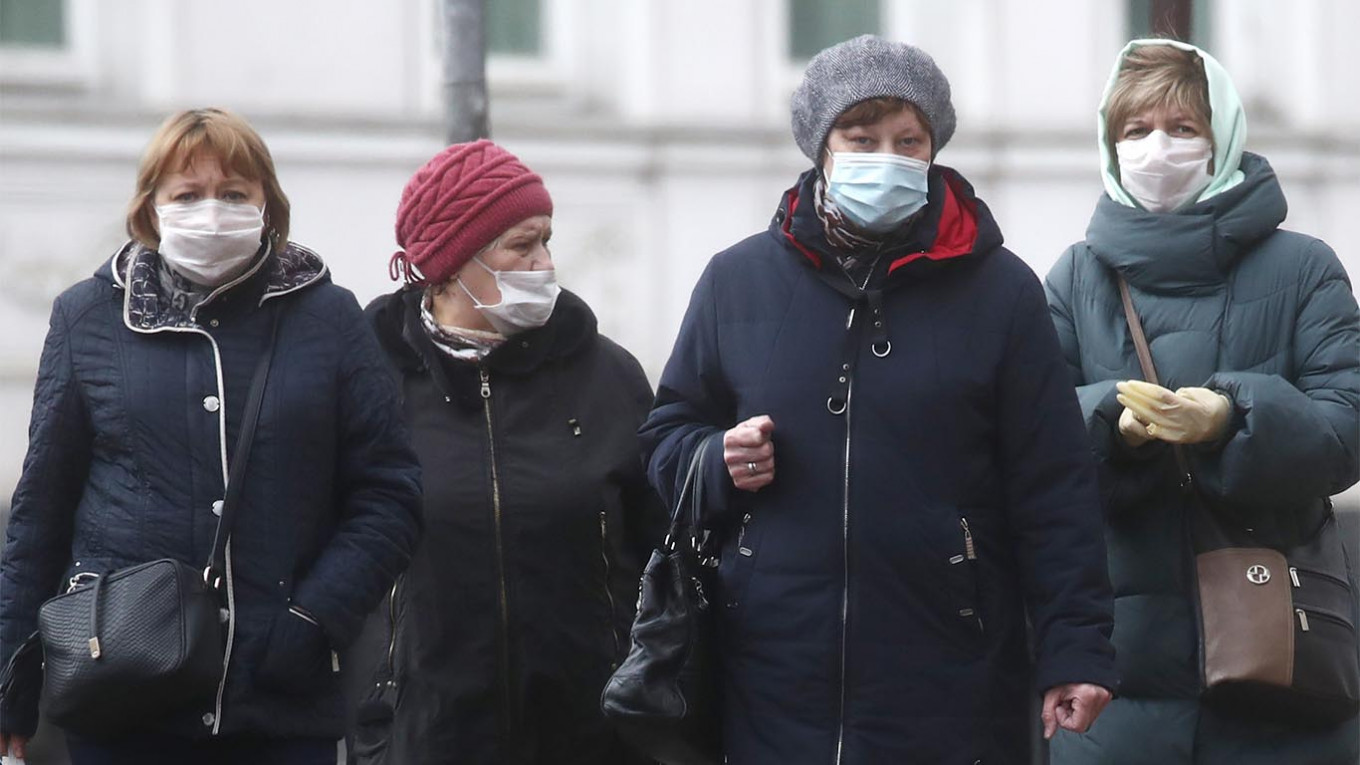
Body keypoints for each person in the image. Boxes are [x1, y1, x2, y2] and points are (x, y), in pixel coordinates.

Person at [639, 35, 1118, 763]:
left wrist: (1075, 646)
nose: (887, 158)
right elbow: (668, 433)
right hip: (770, 677)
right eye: (862, 140)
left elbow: (1053, 485)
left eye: (908, 140)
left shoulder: (1001, 292)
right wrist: (715, 459)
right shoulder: (737, 282)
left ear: (934, 149)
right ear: (821, 149)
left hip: (950, 677)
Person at [0, 108, 423, 765]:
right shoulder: (88, 318)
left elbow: (390, 493)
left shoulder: (328, 318)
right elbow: (39, 514)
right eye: (187, 194)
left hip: (280, 701)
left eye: (233, 193)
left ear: (267, 205)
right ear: (150, 209)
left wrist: (313, 618)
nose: (212, 212)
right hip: (125, 693)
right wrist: (11, 687)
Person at [1044, 40, 1360, 763]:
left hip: (1283, 674)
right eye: (1136, 130)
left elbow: (1347, 428)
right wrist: (1115, 426)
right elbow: (1031, 447)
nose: (1158, 148)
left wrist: (1231, 419)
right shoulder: (1075, 278)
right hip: (1113, 685)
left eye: (1183, 128)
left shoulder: (1304, 268)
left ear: (1222, 140)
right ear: (1111, 145)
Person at [342, 139, 663, 765]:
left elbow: (659, 548)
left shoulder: (608, 377)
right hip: (421, 735)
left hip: (591, 735)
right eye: (521, 245)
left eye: (546, 240)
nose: (544, 263)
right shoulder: (368, 381)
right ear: (451, 261)